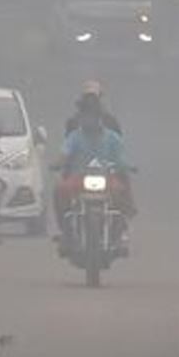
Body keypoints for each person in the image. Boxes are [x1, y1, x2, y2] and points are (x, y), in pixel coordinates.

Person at [54, 94, 134, 251]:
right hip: (78, 179)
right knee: (60, 190)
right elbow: (64, 154)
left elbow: (120, 159)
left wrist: (127, 167)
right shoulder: (74, 137)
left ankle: (119, 232)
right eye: (86, 115)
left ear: (100, 117)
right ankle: (66, 231)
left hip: (107, 178)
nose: (89, 119)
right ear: (81, 117)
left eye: (93, 115)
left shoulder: (112, 138)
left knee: (121, 191)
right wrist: (58, 163)